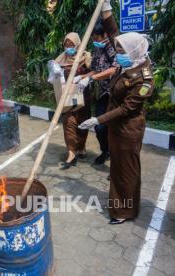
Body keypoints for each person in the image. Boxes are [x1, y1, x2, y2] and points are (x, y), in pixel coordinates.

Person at [79, 0, 154, 225]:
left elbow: (126, 108)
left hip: (128, 130)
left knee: (126, 171)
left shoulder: (144, 79)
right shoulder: (131, 59)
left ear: (131, 50)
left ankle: (124, 211)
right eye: (118, 48)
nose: (117, 52)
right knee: (120, 169)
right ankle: (122, 204)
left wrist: (97, 119)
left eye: (121, 50)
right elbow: (114, 34)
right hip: (116, 129)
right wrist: (105, 7)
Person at [77, 20, 117, 165]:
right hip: (101, 93)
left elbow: (113, 69)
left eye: (97, 38)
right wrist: (82, 77)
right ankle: (105, 151)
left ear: (105, 34)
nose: (95, 41)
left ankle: (115, 160)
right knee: (99, 127)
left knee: (111, 127)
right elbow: (94, 69)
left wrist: (92, 78)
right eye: (93, 38)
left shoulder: (113, 47)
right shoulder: (97, 49)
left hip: (113, 94)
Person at [55, 33, 92, 169]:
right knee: (69, 123)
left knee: (83, 122)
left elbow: (95, 72)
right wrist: (53, 75)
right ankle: (71, 153)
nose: (69, 47)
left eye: (71, 45)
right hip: (67, 98)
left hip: (84, 96)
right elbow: (55, 78)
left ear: (77, 44)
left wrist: (84, 77)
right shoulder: (60, 59)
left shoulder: (86, 57)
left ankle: (81, 148)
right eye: (66, 45)